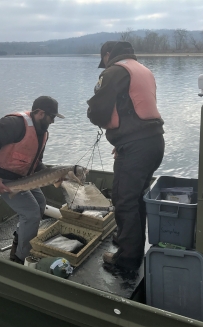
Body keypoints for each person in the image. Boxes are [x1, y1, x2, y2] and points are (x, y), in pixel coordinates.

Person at [86, 41, 165, 271]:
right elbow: (136, 109)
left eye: (104, 60)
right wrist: (123, 140)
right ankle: (129, 242)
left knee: (123, 199)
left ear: (108, 54)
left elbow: (98, 110)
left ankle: (127, 260)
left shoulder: (115, 71)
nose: (104, 65)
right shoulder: (143, 70)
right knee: (136, 196)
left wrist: (95, 116)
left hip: (136, 147)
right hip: (153, 143)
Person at [0, 96, 64, 264]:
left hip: (23, 176)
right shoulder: (13, 124)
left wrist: (52, 174)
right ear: (40, 113)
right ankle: (21, 258)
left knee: (40, 203)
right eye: (51, 117)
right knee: (31, 213)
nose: (53, 121)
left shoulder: (42, 132)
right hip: (4, 179)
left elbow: (36, 162)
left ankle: (18, 241)